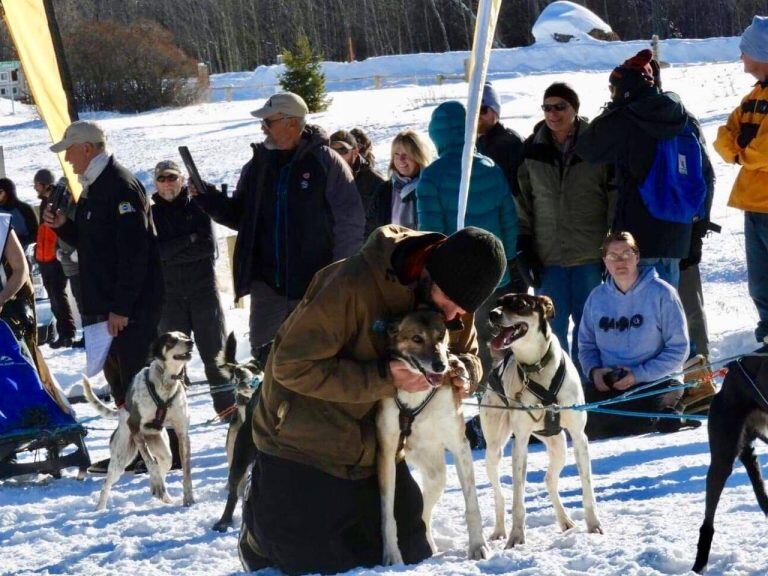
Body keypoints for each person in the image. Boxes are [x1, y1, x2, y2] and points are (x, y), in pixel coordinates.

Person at [240, 225, 507, 574]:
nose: (457, 316)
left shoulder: (454, 297)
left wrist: (466, 373)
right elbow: (291, 366)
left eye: (463, 310)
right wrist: (384, 377)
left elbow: (465, 350)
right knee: (311, 562)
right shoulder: (351, 285)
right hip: (303, 442)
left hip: (375, 452)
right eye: (453, 304)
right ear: (430, 274)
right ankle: (257, 527)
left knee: (411, 551)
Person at [193, 92, 364, 369]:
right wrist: (208, 199)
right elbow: (243, 218)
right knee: (265, 368)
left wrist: (336, 276)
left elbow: (350, 224)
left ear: (292, 123)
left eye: (268, 121)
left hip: (314, 289)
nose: (263, 128)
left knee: (315, 364)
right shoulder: (258, 164)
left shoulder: (327, 162)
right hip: (268, 290)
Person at [43, 120, 163, 474]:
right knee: (121, 383)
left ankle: (150, 453)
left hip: (129, 306)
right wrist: (63, 225)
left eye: (69, 149)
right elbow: (95, 245)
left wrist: (122, 306)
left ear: (87, 148)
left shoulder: (119, 185)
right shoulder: (95, 188)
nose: (67, 157)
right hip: (109, 305)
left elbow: (134, 252)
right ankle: (130, 449)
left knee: (136, 381)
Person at [576, 49, 712, 289]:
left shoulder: (627, 118)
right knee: (666, 314)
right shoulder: (683, 118)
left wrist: (614, 107)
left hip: (637, 237)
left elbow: (588, 147)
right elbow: (706, 175)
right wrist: (697, 231)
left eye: (613, 88)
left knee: (638, 318)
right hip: (677, 234)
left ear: (625, 87)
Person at [515, 83, 614, 375]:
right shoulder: (532, 149)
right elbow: (522, 201)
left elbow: (614, 198)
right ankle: (558, 387)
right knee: (551, 329)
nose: (553, 113)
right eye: (547, 107)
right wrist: (524, 246)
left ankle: (588, 386)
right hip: (549, 257)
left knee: (589, 327)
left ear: (575, 109)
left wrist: (610, 247)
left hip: (589, 255)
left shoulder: (596, 146)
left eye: (561, 107)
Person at [417, 100, 517, 386]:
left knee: (468, 344)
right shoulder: (491, 169)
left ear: (436, 135)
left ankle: (477, 397)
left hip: (453, 285)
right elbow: (509, 220)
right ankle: (509, 395)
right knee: (502, 340)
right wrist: (505, 262)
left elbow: (430, 236)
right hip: (494, 276)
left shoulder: (432, 176)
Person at [578, 232, 691, 438]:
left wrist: (638, 374)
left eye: (626, 253)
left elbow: (679, 349)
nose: (620, 261)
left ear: (637, 257)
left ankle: (673, 412)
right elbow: (586, 345)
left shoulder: (662, 293)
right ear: (605, 261)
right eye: (613, 256)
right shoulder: (597, 298)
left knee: (646, 423)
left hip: (657, 380)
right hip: (612, 383)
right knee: (583, 423)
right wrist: (594, 372)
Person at [150, 160, 235, 418]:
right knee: (172, 361)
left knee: (215, 354)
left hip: (203, 292)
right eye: (162, 178)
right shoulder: (151, 214)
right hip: (170, 296)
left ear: (181, 179)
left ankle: (228, 409)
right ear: (156, 182)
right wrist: (188, 240)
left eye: (172, 177)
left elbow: (208, 248)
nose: (167, 183)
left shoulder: (198, 206)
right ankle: (175, 413)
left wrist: (172, 250)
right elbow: (155, 254)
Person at [714, 15, 768, 344]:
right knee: (759, 282)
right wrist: (740, 152)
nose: (741, 59)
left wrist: (740, 154)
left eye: (745, 51)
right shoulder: (752, 98)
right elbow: (723, 135)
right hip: (753, 203)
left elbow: (764, 151)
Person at [477, 82, 528, 295]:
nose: (478, 115)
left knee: (512, 303)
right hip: (487, 234)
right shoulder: (478, 143)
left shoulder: (508, 143)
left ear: (495, 112)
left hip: (509, 235)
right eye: (473, 110)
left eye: (483, 109)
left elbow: (517, 192)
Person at [33, 169, 77, 349]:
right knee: (53, 298)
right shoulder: (44, 203)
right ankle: (63, 332)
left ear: (46, 184)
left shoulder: (61, 201)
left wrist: (59, 251)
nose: (35, 187)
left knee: (59, 296)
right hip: (43, 258)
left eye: (37, 184)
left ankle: (68, 334)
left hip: (55, 258)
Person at [366, 129, 433, 236]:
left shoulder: (431, 188)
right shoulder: (384, 190)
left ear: (419, 155)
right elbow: (370, 229)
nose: (401, 159)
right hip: (391, 251)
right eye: (396, 154)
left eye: (406, 154)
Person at [330, 129, 386, 224]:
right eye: (332, 151)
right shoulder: (324, 180)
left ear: (355, 152)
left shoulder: (376, 183)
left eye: (342, 150)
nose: (337, 156)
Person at [0, 177, 38, 249]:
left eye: (0, 192)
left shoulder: (25, 209)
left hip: (25, 249)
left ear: (8, 192)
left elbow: (35, 234)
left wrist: (18, 242)